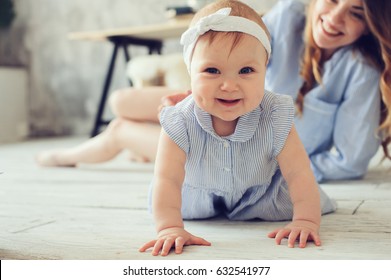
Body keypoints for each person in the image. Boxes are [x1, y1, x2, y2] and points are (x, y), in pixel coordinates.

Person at [36, 0, 391, 183]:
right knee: (121, 100)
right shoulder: (288, 19)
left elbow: (352, 160)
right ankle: (149, 145)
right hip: (230, 106)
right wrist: (193, 97)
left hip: (242, 150)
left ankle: (70, 156)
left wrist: (282, 169)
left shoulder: (360, 70)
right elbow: (236, 57)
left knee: (120, 129)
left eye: (356, 12)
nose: (334, 18)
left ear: (370, 25)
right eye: (331, 1)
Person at [138, 0, 336, 256]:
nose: (229, 85)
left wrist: (306, 221)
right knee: (164, 193)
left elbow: (298, 172)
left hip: (262, 195)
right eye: (212, 70)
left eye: (246, 70)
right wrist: (169, 227)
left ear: (265, 71)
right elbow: (167, 178)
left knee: (299, 194)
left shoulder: (275, 114)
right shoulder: (179, 119)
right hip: (196, 197)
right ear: (191, 72)